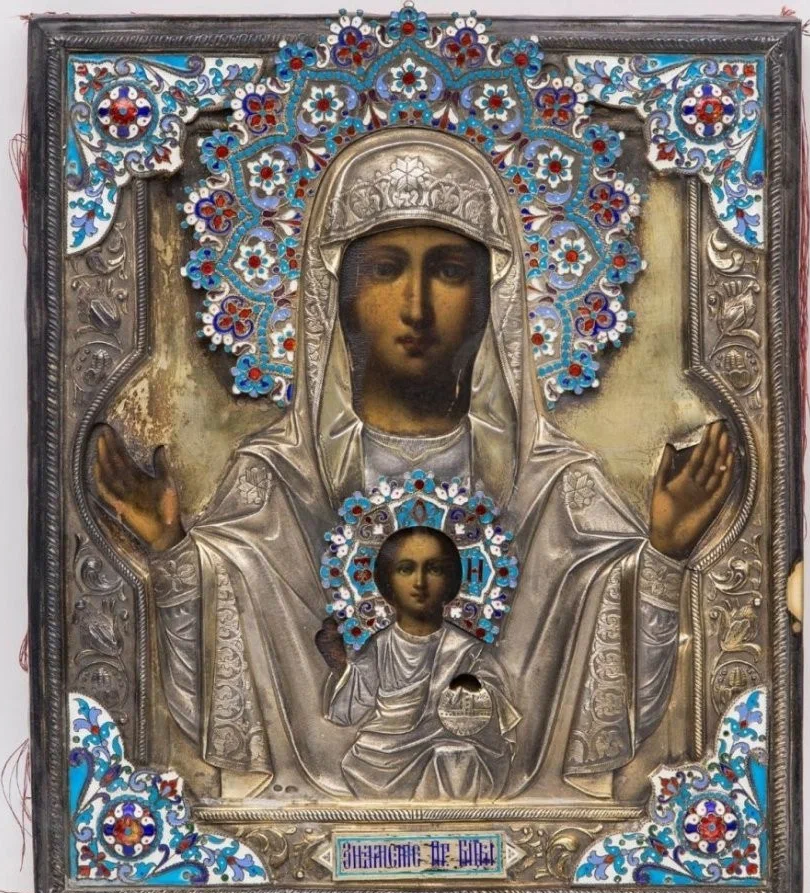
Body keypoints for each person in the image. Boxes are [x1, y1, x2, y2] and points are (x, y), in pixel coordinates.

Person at [91, 128, 735, 802]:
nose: (416, 307)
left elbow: (616, 694)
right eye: (385, 269)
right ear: (337, 294)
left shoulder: (559, 488)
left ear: (492, 298)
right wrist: (171, 550)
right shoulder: (272, 483)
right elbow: (216, 687)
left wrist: (664, 554)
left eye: (450, 272)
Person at [320, 526, 520, 801]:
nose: (420, 582)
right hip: (377, 761)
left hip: (451, 760)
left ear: (451, 581)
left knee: (455, 759)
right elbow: (347, 714)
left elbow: (495, 716)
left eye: (434, 569)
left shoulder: (468, 651)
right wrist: (339, 664)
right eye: (405, 569)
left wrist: (473, 690)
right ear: (386, 581)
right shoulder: (380, 647)